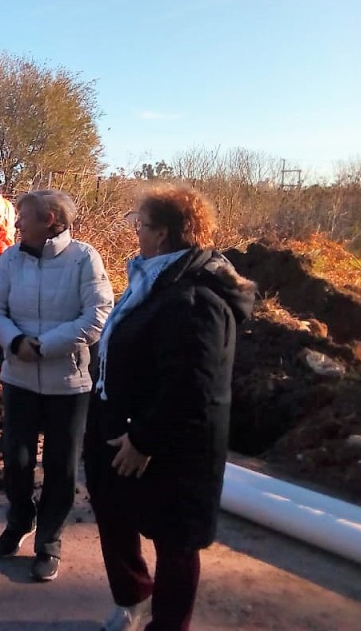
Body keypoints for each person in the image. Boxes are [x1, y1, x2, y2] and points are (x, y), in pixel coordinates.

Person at [84, 183, 255, 631]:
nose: (136, 233)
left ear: (163, 234)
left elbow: (195, 385)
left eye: (141, 225)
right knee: (114, 514)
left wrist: (144, 438)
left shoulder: (196, 296)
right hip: (119, 424)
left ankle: (168, 624)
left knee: (175, 542)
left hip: (172, 445)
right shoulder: (155, 280)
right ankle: (135, 598)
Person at [0, 189, 113, 582]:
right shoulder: (11, 259)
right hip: (19, 378)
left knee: (61, 466)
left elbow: (98, 315)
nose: (16, 223)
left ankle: (49, 542)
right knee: (16, 461)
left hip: (68, 383)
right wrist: (16, 342)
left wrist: (46, 346)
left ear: (51, 219)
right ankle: (21, 517)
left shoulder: (83, 259)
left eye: (24, 217)